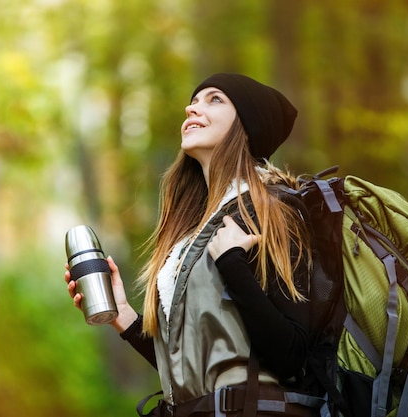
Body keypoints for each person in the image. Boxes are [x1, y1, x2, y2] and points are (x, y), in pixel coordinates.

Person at [65, 73, 317, 417]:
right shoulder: (191, 233)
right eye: (194, 101)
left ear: (247, 123)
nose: (192, 108)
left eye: (214, 100)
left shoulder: (271, 211)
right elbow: (189, 372)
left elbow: (292, 356)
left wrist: (232, 264)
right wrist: (123, 316)